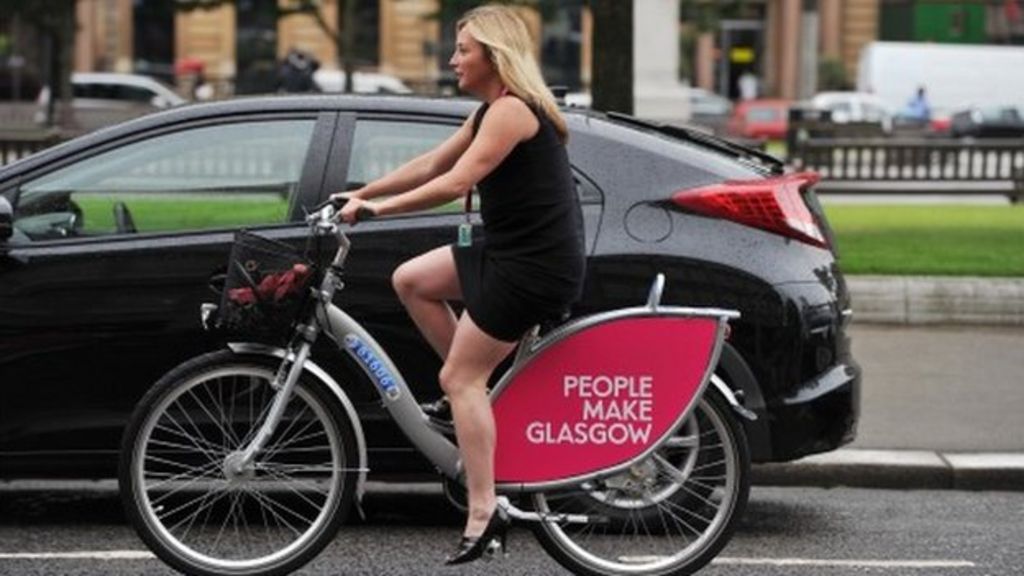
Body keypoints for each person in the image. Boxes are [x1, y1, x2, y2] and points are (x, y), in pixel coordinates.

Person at [331, 4, 585, 566]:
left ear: (494, 56)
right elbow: (429, 164)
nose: (453, 60)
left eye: (462, 50)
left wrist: (377, 212)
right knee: (413, 280)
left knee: (459, 374)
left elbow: (456, 182)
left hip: (533, 265)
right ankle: (471, 400)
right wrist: (359, 194)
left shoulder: (515, 112)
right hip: (504, 250)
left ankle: (483, 510)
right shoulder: (488, 111)